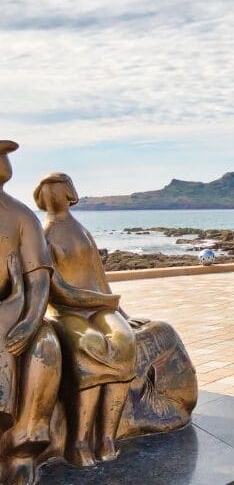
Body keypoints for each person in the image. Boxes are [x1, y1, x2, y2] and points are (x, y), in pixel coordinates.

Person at [33, 173, 136, 467]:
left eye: (60, 188)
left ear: (69, 194)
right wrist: (103, 302)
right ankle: (78, 441)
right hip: (66, 311)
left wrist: (121, 313)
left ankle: (106, 436)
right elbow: (58, 290)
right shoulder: (43, 233)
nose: (55, 194)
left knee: (124, 341)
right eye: (49, 189)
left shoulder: (81, 230)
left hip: (99, 307)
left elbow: (101, 279)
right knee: (89, 344)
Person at [0, 141, 62, 485]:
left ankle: (23, 448)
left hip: (15, 312)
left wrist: (30, 321)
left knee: (46, 345)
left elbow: (39, 280)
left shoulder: (22, 216)